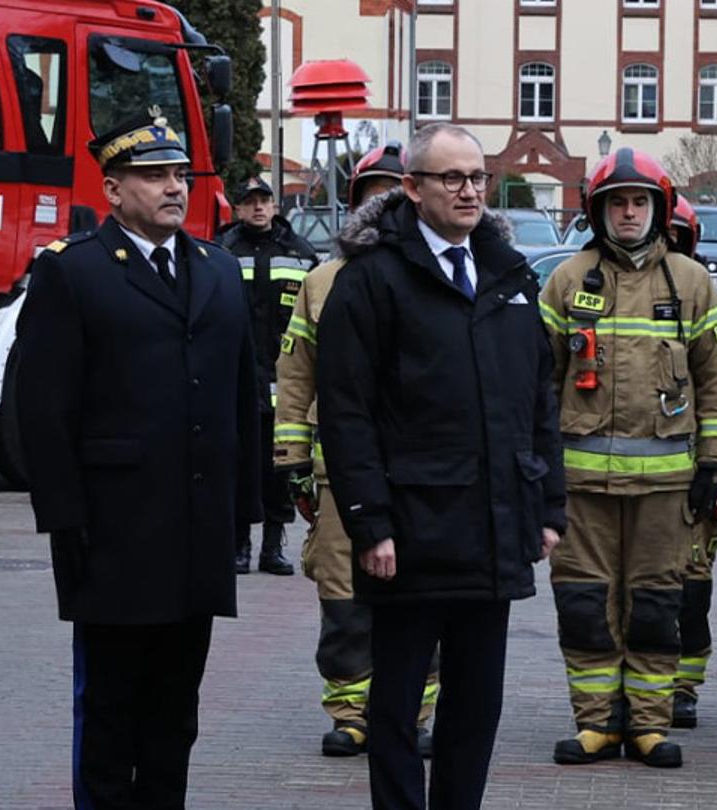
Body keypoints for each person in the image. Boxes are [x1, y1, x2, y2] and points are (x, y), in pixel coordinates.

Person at [317, 122, 566, 810]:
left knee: (476, 706)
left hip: (493, 528)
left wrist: (547, 506)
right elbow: (347, 415)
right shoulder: (371, 282)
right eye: (451, 178)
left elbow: (536, 400)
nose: (468, 192)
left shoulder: (509, 276)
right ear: (412, 187)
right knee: (396, 709)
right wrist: (370, 524)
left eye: (478, 178)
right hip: (411, 534)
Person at [18, 113, 259, 808]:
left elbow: (241, 394)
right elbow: (43, 409)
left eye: (180, 175)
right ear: (113, 188)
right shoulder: (73, 270)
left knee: (175, 715)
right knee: (110, 713)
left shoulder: (216, 268)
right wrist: (67, 521)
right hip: (114, 533)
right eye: (154, 176)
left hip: (197, 534)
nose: (174, 188)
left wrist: (243, 508)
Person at [537, 148, 717, 768]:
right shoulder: (568, 281)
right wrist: (537, 469)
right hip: (582, 488)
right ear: (597, 211)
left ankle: (649, 725)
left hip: (666, 488)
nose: (629, 213)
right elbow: (538, 384)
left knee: (655, 605)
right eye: (617, 203)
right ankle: (597, 724)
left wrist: (715, 465)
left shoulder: (691, 283)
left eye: (639, 202)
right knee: (585, 605)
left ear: (659, 209)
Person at [272, 143, 444, 758]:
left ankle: (412, 716)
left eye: (391, 193)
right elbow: (295, 375)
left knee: (420, 599)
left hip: (422, 474)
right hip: (338, 473)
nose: (382, 204)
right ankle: (350, 712)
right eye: (371, 192)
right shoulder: (323, 282)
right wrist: (291, 460)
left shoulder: (439, 274)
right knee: (343, 598)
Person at [663, 197, 717, 729]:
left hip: (694, 471)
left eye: (674, 235)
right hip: (623, 476)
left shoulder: (713, 306)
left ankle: (683, 686)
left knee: (691, 586)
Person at [217, 175, 319, 575]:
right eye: (249, 202)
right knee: (239, 468)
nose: (258, 208)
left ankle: (273, 547)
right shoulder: (222, 250)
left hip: (284, 389)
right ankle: (239, 545)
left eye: (264, 200)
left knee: (281, 472)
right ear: (238, 208)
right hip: (237, 386)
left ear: (275, 205)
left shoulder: (301, 252)